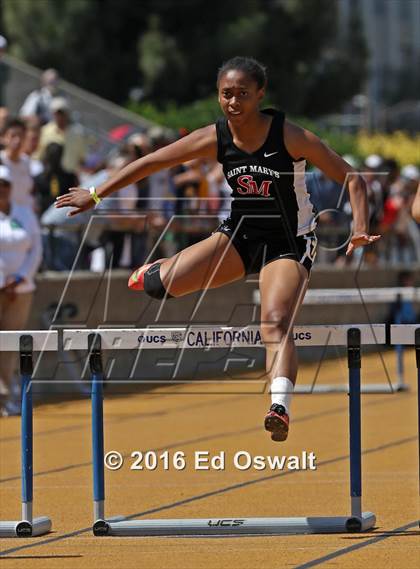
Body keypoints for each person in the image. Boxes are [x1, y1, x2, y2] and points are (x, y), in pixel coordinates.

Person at [55, 56, 380, 442]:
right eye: (226, 94)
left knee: (274, 321)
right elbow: (153, 161)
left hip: (288, 242)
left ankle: (280, 406)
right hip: (238, 237)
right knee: (160, 286)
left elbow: (354, 179)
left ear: (260, 94)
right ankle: (162, 267)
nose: (234, 102)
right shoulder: (215, 136)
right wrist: (96, 193)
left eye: (243, 94)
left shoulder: (288, 135)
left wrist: (359, 229)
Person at [0, 165, 42, 415]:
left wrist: (19, 278)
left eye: (4, 184)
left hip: (22, 289)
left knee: (10, 343)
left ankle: (5, 397)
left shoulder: (25, 213)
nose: (1, 190)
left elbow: (36, 249)